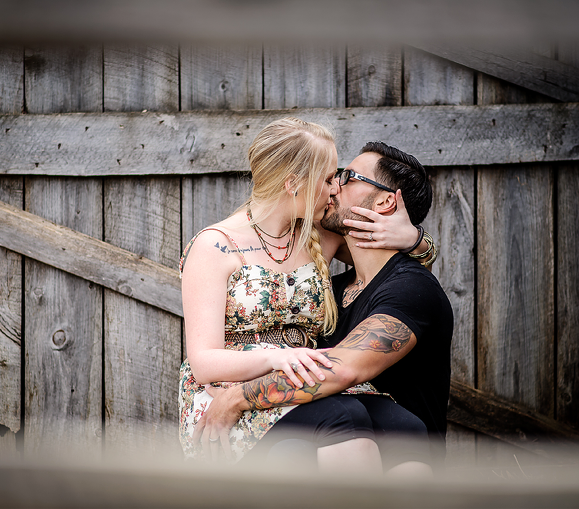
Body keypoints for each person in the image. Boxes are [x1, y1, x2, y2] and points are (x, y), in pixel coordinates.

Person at [178, 118, 431, 471]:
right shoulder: (215, 247)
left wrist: (416, 240)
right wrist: (274, 359)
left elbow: (387, 263)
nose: (334, 190)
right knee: (345, 416)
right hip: (231, 383)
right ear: (293, 182)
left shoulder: (321, 238)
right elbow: (204, 362)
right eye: (328, 179)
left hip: (298, 377)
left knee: (408, 429)